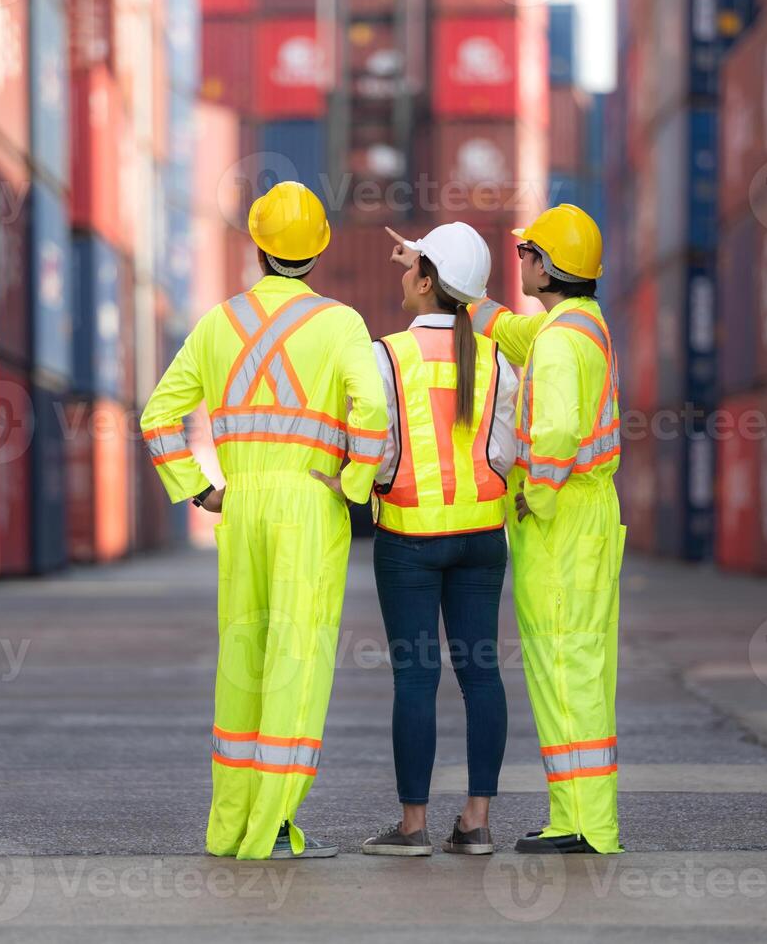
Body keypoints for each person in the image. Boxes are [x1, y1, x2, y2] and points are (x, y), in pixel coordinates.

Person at [139, 182, 390, 861]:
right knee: (296, 658)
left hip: (244, 503)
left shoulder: (219, 323)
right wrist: (356, 483)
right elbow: (373, 413)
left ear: (256, 248)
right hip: (310, 502)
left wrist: (201, 490)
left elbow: (157, 416)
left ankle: (233, 823)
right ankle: (275, 824)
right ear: (320, 250)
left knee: (242, 657)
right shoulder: (341, 325)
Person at [352, 223, 519, 858]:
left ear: (425, 282)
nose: (401, 276)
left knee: (416, 679)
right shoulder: (497, 357)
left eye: (410, 269)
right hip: (482, 536)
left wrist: (372, 483)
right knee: (482, 675)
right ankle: (475, 823)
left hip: (409, 540)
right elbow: (504, 450)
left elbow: (376, 447)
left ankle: (413, 828)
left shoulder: (385, 355)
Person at [469, 204, 625, 855]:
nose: (520, 262)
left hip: (560, 527)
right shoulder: (581, 327)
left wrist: (534, 494)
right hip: (589, 517)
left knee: (563, 668)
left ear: (546, 265)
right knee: (582, 666)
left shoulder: (560, 343)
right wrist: (464, 298)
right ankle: (584, 816)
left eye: (526, 254)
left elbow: (556, 432)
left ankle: (581, 824)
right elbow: (512, 333)